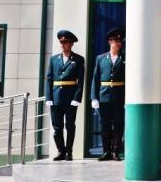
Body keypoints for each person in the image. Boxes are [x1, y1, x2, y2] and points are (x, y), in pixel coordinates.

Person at [45, 30, 85, 161]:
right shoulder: (54, 59)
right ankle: (60, 151)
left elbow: (81, 81)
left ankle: (69, 152)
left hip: (70, 98)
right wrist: (48, 97)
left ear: (71, 44)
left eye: (65, 42)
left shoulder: (78, 59)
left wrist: (77, 98)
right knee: (57, 127)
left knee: (70, 126)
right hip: (56, 97)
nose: (62, 44)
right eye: (61, 42)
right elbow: (49, 79)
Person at [91, 28, 125, 162]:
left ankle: (116, 151)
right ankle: (106, 151)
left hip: (119, 96)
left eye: (120, 41)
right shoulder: (100, 58)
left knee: (118, 124)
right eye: (116, 41)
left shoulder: (124, 58)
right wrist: (94, 97)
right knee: (105, 125)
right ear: (109, 42)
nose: (118, 44)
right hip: (104, 96)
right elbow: (95, 78)